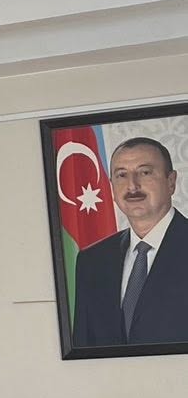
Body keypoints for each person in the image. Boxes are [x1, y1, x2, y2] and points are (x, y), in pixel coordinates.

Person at [71, 135, 188, 348]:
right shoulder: (91, 261)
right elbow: (83, 348)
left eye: (145, 172)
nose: (132, 186)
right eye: (121, 175)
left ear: (171, 182)